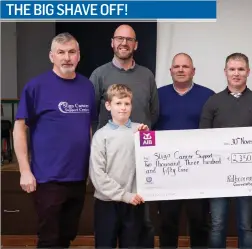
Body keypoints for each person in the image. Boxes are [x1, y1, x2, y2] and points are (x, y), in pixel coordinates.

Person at [13, 32, 96, 248]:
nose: (66, 57)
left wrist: (91, 168)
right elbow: (20, 129)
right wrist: (24, 170)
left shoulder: (87, 87)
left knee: (68, 234)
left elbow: (88, 128)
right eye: (61, 52)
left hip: (78, 177)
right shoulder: (36, 86)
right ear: (52, 56)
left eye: (71, 52)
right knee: (49, 238)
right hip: (47, 177)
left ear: (79, 56)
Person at [89, 24, 158, 247]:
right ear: (112, 42)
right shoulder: (99, 74)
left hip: (136, 189)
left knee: (138, 236)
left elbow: (153, 112)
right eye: (120, 38)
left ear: (136, 45)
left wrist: (141, 132)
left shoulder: (147, 75)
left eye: (129, 39)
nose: (124, 43)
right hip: (109, 189)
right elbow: (90, 113)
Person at [199, 52, 252, 248]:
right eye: (232, 69)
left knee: (246, 225)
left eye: (240, 69)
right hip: (218, 175)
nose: (236, 73)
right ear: (225, 72)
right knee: (217, 224)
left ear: (248, 72)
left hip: (248, 175)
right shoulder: (213, 102)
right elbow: (202, 136)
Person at [154, 53, 214, 248]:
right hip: (166, 170)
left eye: (185, 66)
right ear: (170, 70)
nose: (181, 70)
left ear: (193, 71)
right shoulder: (157, 95)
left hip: (198, 171)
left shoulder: (208, 96)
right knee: (167, 221)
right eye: (177, 66)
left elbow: (216, 130)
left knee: (199, 221)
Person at [89, 84, 149, 248]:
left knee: (131, 244)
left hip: (134, 202)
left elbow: (150, 162)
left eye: (127, 103)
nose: (123, 108)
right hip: (107, 203)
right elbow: (98, 176)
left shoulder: (140, 131)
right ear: (108, 105)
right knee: (105, 244)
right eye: (118, 103)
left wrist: (146, 140)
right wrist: (124, 195)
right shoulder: (101, 136)